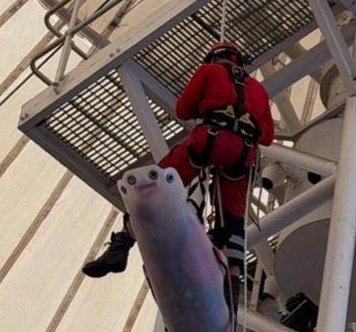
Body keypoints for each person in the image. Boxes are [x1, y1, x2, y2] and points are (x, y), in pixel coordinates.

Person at [83, 41, 276, 280]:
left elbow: (183, 110)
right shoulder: (258, 89)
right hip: (242, 155)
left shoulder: (209, 71)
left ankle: (121, 245)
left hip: (209, 141)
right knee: (233, 219)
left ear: (213, 58)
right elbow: (267, 137)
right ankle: (233, 279)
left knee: (152, 187)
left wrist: (211, 106)